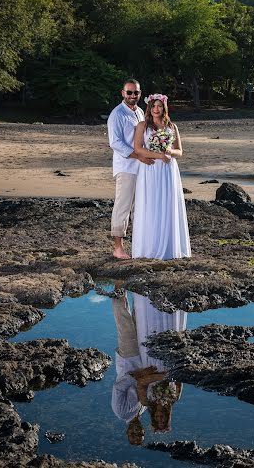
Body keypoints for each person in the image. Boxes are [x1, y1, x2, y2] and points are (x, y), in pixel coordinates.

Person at [111, 288, 186, 443]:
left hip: (128, 361)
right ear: (144, 430)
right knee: (139, 317)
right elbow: (174, 381)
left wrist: (137, 375)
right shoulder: (144, 408)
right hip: (144, 358)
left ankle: (118, 287)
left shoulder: (121, 412)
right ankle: (136, 289)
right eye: (140, 434)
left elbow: (118, 387)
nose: (137, 431)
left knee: (123, 322)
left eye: (133, 434)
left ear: (128, 432)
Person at [132, 93, 191, 260]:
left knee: (167, 204)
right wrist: (158, 156)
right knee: (150, 204)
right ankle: (149, 248)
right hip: (150, 169)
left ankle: (170, 248)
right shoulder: (142, 125)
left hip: (167, 170)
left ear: (164, 108)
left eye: (159, 106)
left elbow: (179, 151)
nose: (156, 109)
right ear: (149, 108)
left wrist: (169, 151)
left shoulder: (172, 127)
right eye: (153, 106)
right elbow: (138, 149)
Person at [107, 79, 154, 259]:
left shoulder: (141, 112)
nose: (133, 96)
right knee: (123, 206)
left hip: (142, 167)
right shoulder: (117, 114)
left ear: (140, 94)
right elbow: (115, 143)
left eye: (136, 93)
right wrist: (138, 156)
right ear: (122, 93)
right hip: (126, 167)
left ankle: (139, 246)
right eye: (129, 93)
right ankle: (118, 248)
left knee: (140, 207)